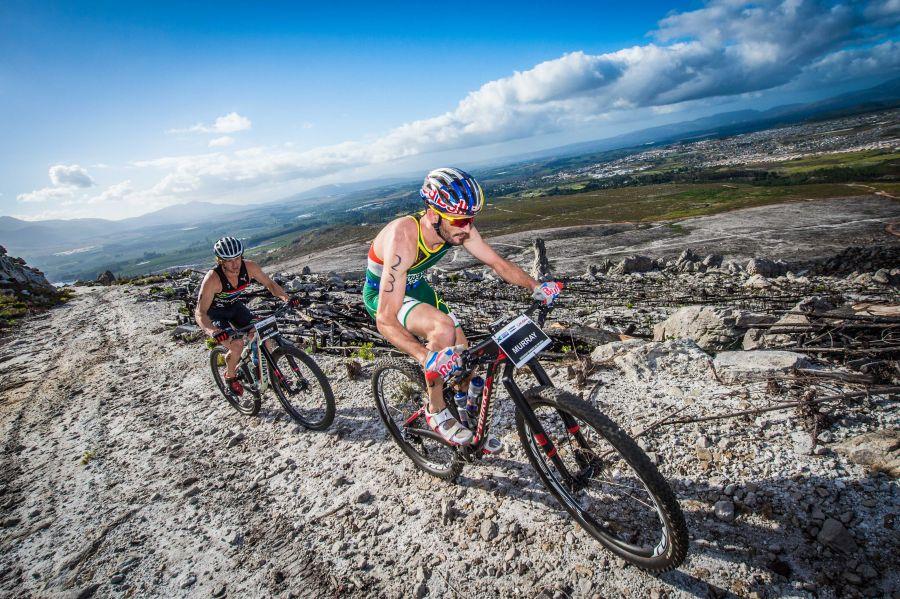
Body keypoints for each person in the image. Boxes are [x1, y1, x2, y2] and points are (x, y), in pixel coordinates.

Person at [363, 167, 562, 446]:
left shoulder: (455, 227)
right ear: (434, 215)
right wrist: (425, 356)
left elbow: (496, 262)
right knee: (442, 328)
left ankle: (466, 418)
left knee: (463, 356)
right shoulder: (403, 237)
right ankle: (435, 410)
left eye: (471, 219)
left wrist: (535, 286)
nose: (467, 227)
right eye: (460, 220)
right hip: (383, 296)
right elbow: (385, 319)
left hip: (417, 288)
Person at [195, 236, 298, 396]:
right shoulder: (213, 279)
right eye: (229, 261)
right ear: (220, 261)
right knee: (237, 345)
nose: (235, 264)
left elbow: (270, 284)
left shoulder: (250, 267)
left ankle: (262, 373)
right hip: (215, 314)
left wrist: (286, 298)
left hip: (235, 307)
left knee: (262, 335)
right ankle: (230, 377)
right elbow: (200, 313)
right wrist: (213, 331)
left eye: (238, 258)